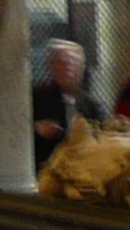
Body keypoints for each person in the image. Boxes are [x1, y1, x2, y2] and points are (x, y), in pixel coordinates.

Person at [31, 39, 103, 168]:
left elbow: (101, 133)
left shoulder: (90, 104)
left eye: (74, 62)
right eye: (62, 63)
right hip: (47, 165)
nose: (68, 67)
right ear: (51, 66)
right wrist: (36, 130)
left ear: (82, 67)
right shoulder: (36, 97)